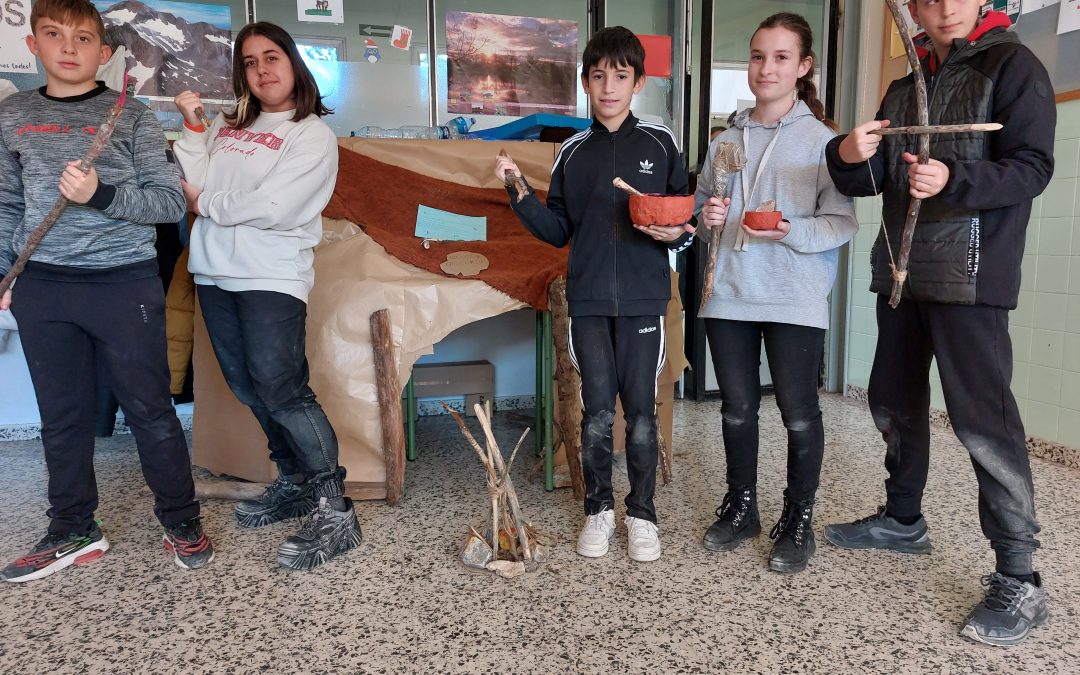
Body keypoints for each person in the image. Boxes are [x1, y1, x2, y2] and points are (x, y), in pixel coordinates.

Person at [823, 0, 1055, 646]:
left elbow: (1033, 166)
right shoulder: (907, 82)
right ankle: (903, 519)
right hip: (902, 270)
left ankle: (1020, 575)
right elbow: (870, 177)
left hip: (973, 279)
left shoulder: (1013, 65)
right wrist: (846, 152)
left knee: (984, 423)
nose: (944, 9)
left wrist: (955, 177)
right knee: (892, 402)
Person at [0, 0, 213, 581]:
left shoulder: (134, 115)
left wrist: (100, 194)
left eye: (84, 37)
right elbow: (7, 207)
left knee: (150, 411)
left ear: (105, 52)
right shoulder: (13, 116)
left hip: (124, 283)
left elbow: (169, 204)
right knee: (62, 417)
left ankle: (182, 521)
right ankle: (72, 529)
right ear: (34, 45)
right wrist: (5, 275)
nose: (69, 47)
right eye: (54, 35)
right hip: (44, 285)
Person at [495, 27, 693, 562]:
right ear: (586, 82)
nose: (609, 86)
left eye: (621, 76)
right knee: (598, 412)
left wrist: (680, 232)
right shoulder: (571, 154)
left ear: (638, 82)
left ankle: (643, 515)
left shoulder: (660, 143)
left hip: (644, 300)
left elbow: (683, 215)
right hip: (586, 303)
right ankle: (599, 512)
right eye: (599, 75)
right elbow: (559, 229)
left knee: (643, 413)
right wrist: (518, 191)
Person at [172, 21, 359, 571]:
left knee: (282, 389)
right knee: (246, 386)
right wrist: (191, 129)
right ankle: (295, 480)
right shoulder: (231, 124)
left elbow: (277, 207)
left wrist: (208, 204)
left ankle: (335, 506)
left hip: (270, 276)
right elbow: (195, 173)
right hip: (214, 272)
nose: (262, 70)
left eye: (271, 57)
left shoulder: (311, 135)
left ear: (294, 62)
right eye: (250, 62)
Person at [694, 13, 857, 574]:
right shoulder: (724, 140)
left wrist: (790, 231)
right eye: (759, 56)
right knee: (737, 410)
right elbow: (700, 214)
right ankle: (742, 509)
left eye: (781, 57)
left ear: (803, 66)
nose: (767, 68)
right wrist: (708, 216)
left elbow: (842, 224)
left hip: (795, 296)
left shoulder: (825, 143)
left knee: (798, 413)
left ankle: (798, 517)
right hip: (729, 294)